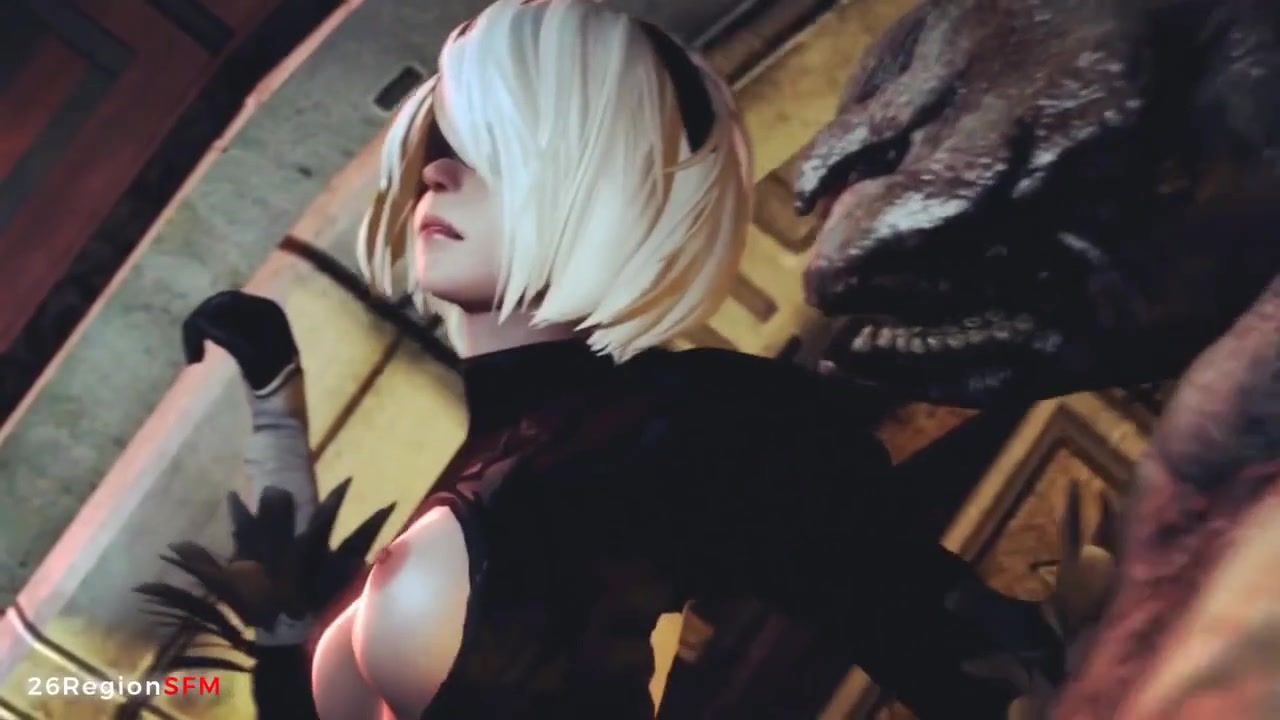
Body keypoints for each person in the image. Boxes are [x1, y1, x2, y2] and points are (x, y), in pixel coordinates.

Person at [143, 1, 1060, 717]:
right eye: (446, 144)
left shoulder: (684, 420)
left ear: (616, 191)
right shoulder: (494, 451)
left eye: (500, 152)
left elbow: (938, 637)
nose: (437, 173)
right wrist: (276, 404)